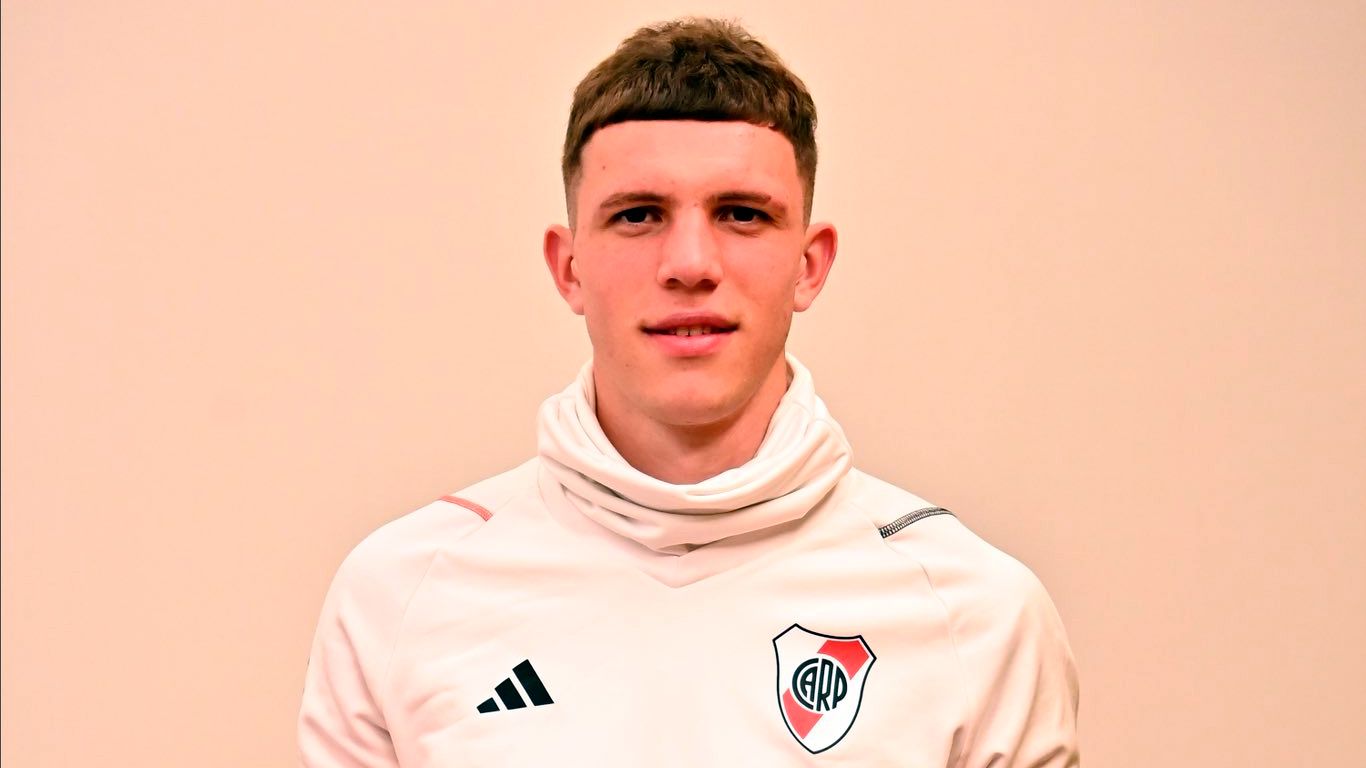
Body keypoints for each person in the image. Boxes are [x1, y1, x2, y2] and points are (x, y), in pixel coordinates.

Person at [298, 17, 1079, 766]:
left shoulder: (975, 614)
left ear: (809, 265)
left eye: (742, 214)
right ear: (569, 268)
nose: (690, 264)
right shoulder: (402, 594)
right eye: (639, 215)